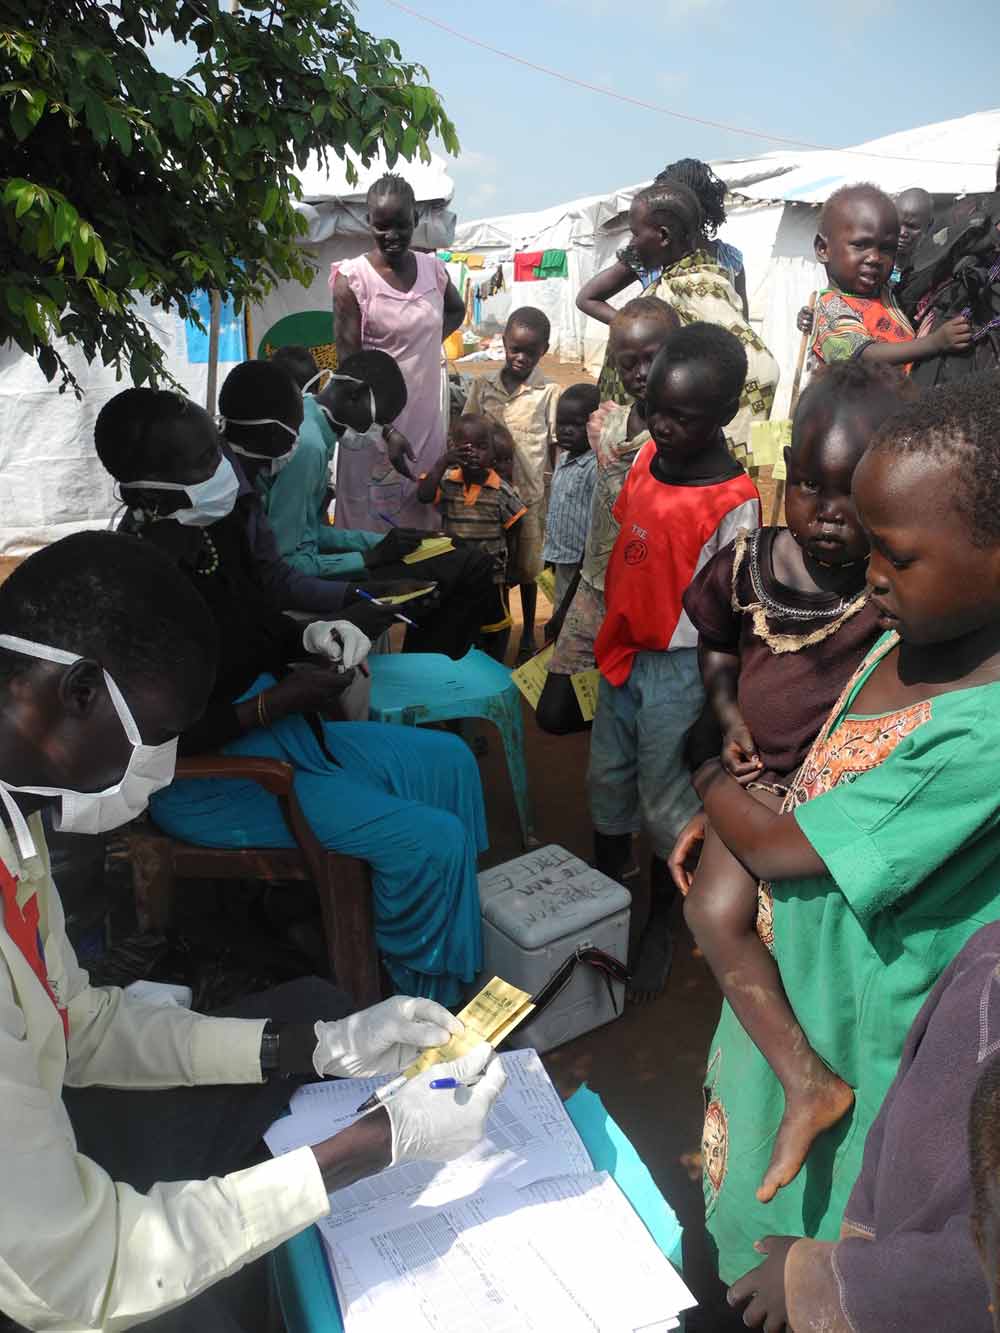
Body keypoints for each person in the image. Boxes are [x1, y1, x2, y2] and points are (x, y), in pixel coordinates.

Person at [0, 531, 504, 1332]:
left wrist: (318, 1044)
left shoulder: (16, 829)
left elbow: (80, 1023)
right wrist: (375, 1143)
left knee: (309, 1005)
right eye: (158, 734)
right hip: (52, 1275)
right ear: (81, 694)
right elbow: (86, 1276)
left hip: (44, 1152)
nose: (163, 766)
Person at [689, 372, 1000, 1288]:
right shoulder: (900, 641)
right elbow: (816, 782)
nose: (868, 576)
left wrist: (705, 775)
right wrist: (741, 818)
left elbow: (788, 846)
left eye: (896, 556)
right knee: (748, 1176)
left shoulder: (981, 732)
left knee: (815, 1235)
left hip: (862, 1030)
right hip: (794, 987)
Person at [95, 387, 489, 1005]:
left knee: (453, 764)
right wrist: (273, 704)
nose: (223, 468)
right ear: (148, 490)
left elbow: (258, 615)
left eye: (216, 449)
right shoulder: (131, 591)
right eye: (202, 463)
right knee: (430, 840)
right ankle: (416, 992)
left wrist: (310, 634)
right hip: (217, 781)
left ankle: (451, 932)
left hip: (283, 738)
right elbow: (153, 747)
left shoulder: (212, 533)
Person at [674, 362, 909, 1205]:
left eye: (850, 494)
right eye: (808, 486)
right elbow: (715, 639)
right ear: (784, 478)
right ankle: (802, 1076)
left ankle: (809, 1084)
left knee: (727, 912)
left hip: (817, 797)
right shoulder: (751, 561)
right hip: (757, 781)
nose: (826, 514)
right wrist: (727, 713)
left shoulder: (895, 588)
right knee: (710, 911)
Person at [589, 323, 761, 1003]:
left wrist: (714, 710)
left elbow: (732, 609)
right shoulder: (644, 459)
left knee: (666, 803)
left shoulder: (733, 500)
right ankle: (604, 895)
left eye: (680, 416)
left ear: (722, 416)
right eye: (655, 406)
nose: (660, 423)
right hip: (622, 654)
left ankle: (661, 911)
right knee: (607, 778)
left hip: (678, 668)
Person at [723, 921, 1000, 1333]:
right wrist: (859, 1240)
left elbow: (972, 1278)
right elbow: (906, 1094)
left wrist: (824, 1282)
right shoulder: (988, 956)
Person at [228, 355, 497, 660]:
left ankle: (431, 665)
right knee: (467, 567)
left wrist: (381, 541)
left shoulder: (316, 427)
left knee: (453, 554)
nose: (379, 431)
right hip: (300, 581)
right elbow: (289, 561)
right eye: (379, 421)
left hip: (313, 567)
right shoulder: (308, 446)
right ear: (354, 396)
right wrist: (369, 556)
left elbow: (309, 532)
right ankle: (430, 670)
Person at [537, 297, 680, 736]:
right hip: (597, 586)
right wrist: (572, 595)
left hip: (652, 597)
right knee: (554, 712)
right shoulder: (607, 427)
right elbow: (602, 521)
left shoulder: (684, 435)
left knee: (645, 703)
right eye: (628, 362)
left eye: (652, 359)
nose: (640, 372)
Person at [579, 182, 779, 466]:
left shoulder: (700, 285)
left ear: (662, 235)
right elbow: (586, 298)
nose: (632, 243)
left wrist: (698, 426)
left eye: (636, 234)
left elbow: (761, 366)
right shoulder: (670, 279)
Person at [332, 173, 466, 530]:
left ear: (416, 220)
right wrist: (385, 431)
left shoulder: (433, 270)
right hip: (373, 424)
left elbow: (456, 310)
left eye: (401, 225)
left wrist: (423, 345)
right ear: (368, 222)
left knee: (422, 524)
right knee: (372, 532)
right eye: (382, 226)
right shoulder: (352, 280)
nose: (392, 236)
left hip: (424, 420)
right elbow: (349, 370)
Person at [464, 307, 562, 661]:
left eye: (530, 352)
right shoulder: (482, 384)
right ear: (503, 343)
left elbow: (554, 444)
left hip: (531, 496)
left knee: (529, 568)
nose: (520, 358)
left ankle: (527, 635)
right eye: (514, 349)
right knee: (497, 570)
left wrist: (556, 491)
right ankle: (500, 627)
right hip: (490, 498)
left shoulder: (548, 391)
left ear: (543, 350)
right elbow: (468, 428)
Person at [810, 182, 972, 370]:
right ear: (823, 249)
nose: (875, 258)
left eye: (887, 248)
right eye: (860, 245)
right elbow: (863, 356)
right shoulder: (832, 306)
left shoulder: (885, 294)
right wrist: (935, 343)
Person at [417, 414, 527, 661]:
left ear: (493, 451)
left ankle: (494, 662)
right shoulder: (447, 482)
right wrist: (443, 462)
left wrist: (512, 566)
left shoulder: (501, 491)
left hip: (491, 575)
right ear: (453, 448)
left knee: (495, 625)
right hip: (455, 574)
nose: (476, 453)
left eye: (482, 447)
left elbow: (517, 525)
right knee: (460, 622)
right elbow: (424, 496)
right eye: (467, 448)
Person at [541, 383, 602, 612]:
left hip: (580, 565)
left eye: (576, 425)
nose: (566, 430)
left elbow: (594, 523)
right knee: (560, 609)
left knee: (571, 615)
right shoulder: (563, 459)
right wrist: (550, 554)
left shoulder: (594, 467)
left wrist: (583, 564)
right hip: (560, 558)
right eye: (562, 423)